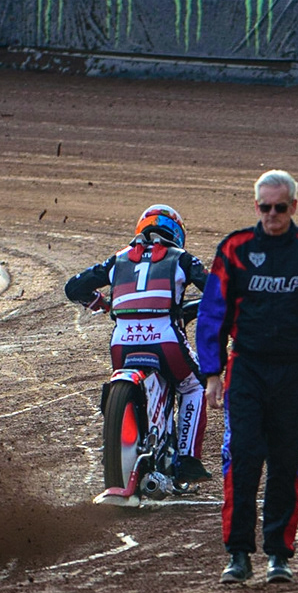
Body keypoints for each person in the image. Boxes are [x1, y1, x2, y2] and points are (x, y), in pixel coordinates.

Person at [197, 171, 298, 585]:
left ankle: (279, 556)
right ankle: (238, 555)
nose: (272, 215)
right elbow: (212, 313)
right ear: (256, 207)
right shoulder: (234, 248)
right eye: (265, 207)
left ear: (293, 207)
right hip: (246, 370)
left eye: (280, 207)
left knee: (285, 463)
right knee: (242, 458)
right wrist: (212, 373)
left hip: (297, 373)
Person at [64, 204, 212, 495]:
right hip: (165, 339)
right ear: (176, 233)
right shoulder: (181, 258)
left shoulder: (118, 259)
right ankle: (187, 459)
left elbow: (73, 288)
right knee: (194, 385)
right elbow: (216, 289)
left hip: (121, 343)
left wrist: (101, 304)